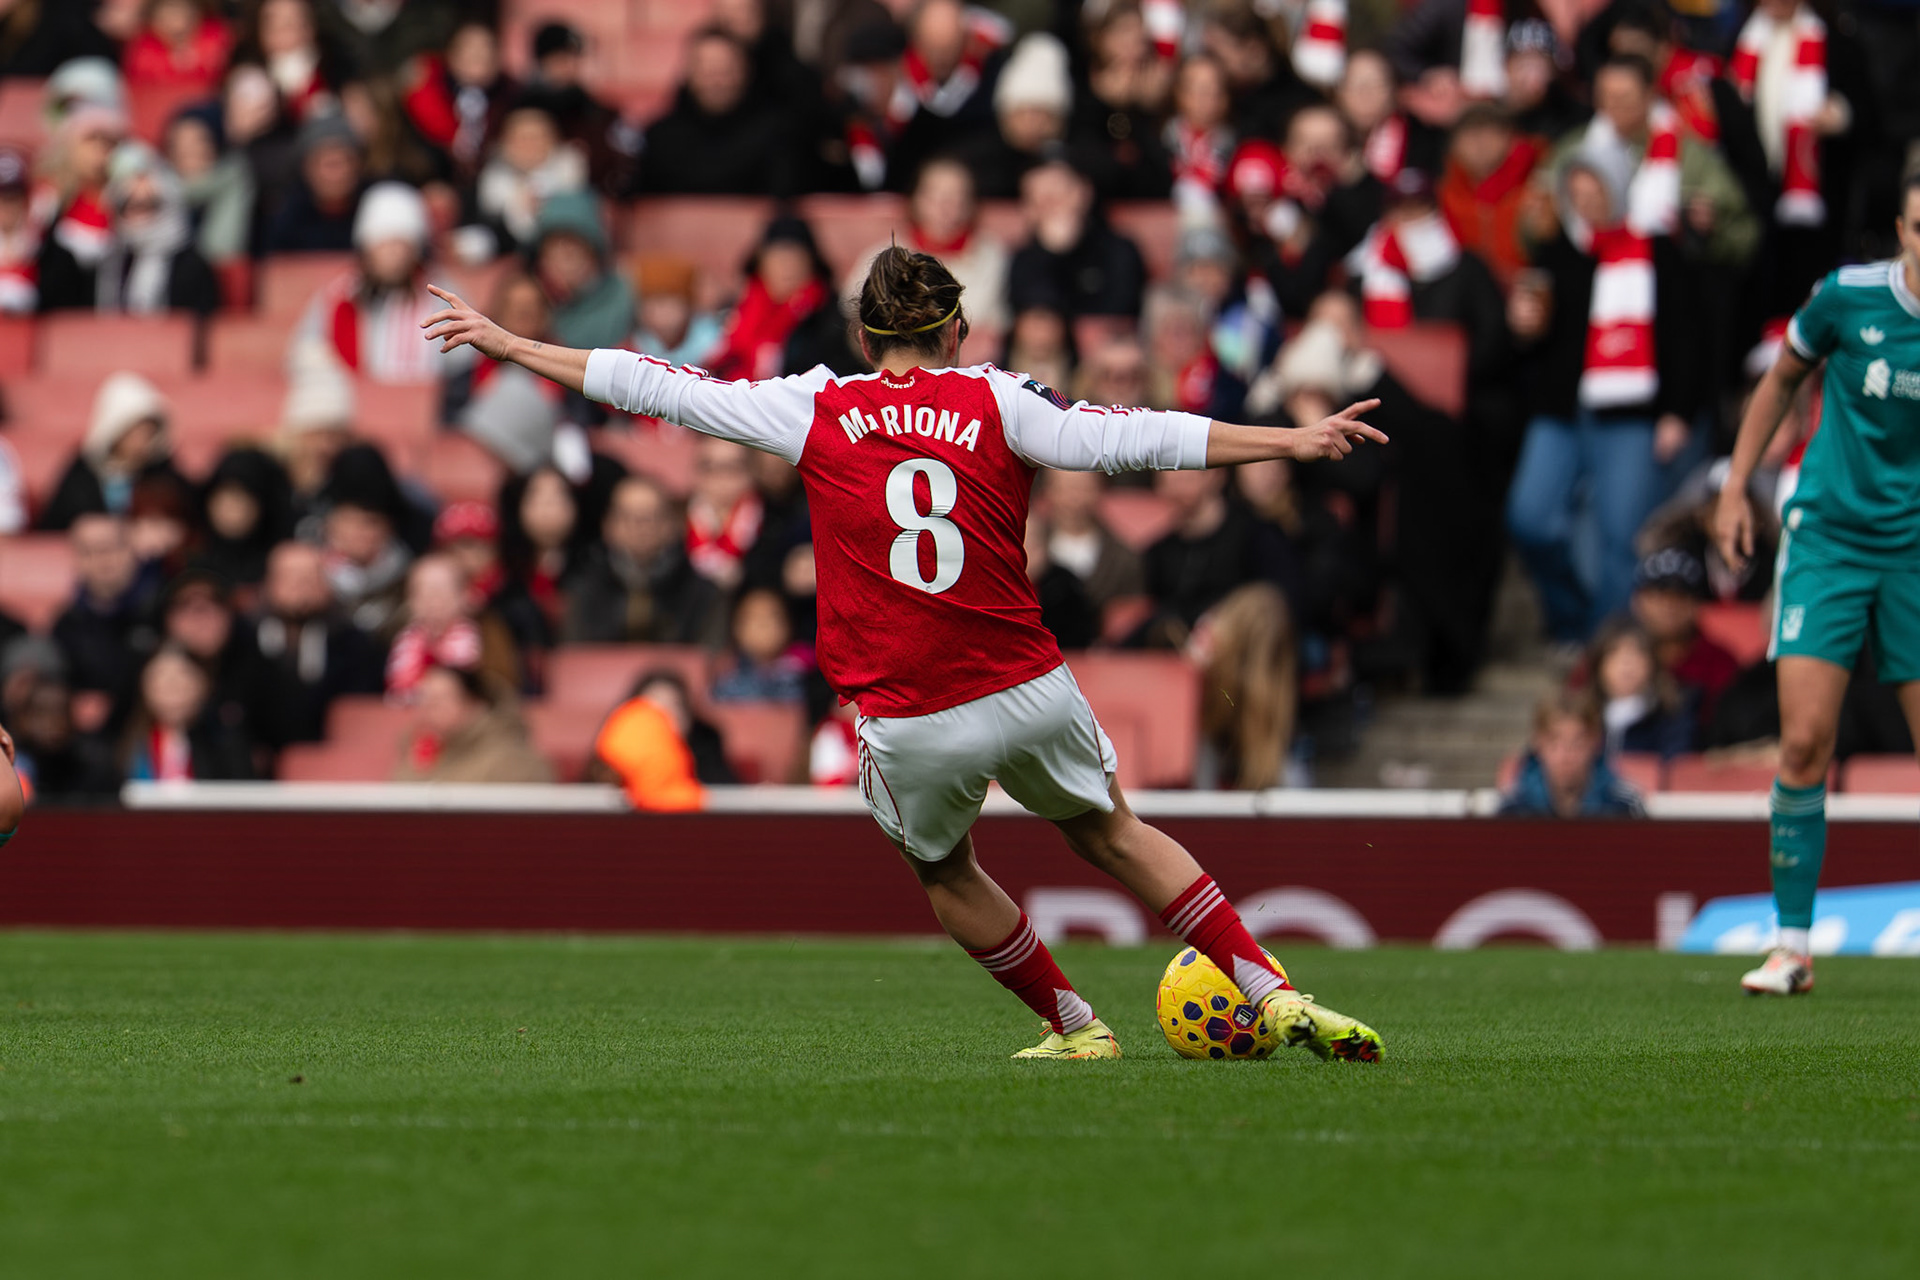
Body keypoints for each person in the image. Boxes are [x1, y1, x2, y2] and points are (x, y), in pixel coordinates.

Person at [420, 243, 1388, 1062]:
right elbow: (1136, 438)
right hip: (1028, 683)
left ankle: (1076, 1024)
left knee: (945, 870)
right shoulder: (1000, 398)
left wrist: (512, 343)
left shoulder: (815, 407)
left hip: (910, 710)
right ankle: (1271, 988)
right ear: (957, 330)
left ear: (863, 338)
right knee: (1114, 831)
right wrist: (1289, 440)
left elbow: (658, 386)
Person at [1712, 175, 1920, 997]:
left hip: (1916, 553)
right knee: (1802, 741)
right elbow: (1780, 379)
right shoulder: (1846, 300)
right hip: (1829, 538)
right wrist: (1735, 489)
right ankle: (1792, 946)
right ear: (1902, 228)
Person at [564, 474, 721, 646]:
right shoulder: (584, 590)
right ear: (608, 525)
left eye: (650, 517)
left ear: (671, 525)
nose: (639, 528)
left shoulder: (703, 592)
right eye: (627, 517)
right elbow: (574, 659)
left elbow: (708, 662)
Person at [1498, 689, 1647, 819]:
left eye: (1577, 744)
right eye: (1554, 743)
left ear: (1595, 742)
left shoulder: (1624, 806)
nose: (1566, 755)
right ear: (1538, 744)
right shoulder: (1513, 807)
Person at [392, 664, 551, 785]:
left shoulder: (515, 762)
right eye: (421, 701)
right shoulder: (417, 752)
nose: (425, 710)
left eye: (437, 701)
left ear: (475, 705)